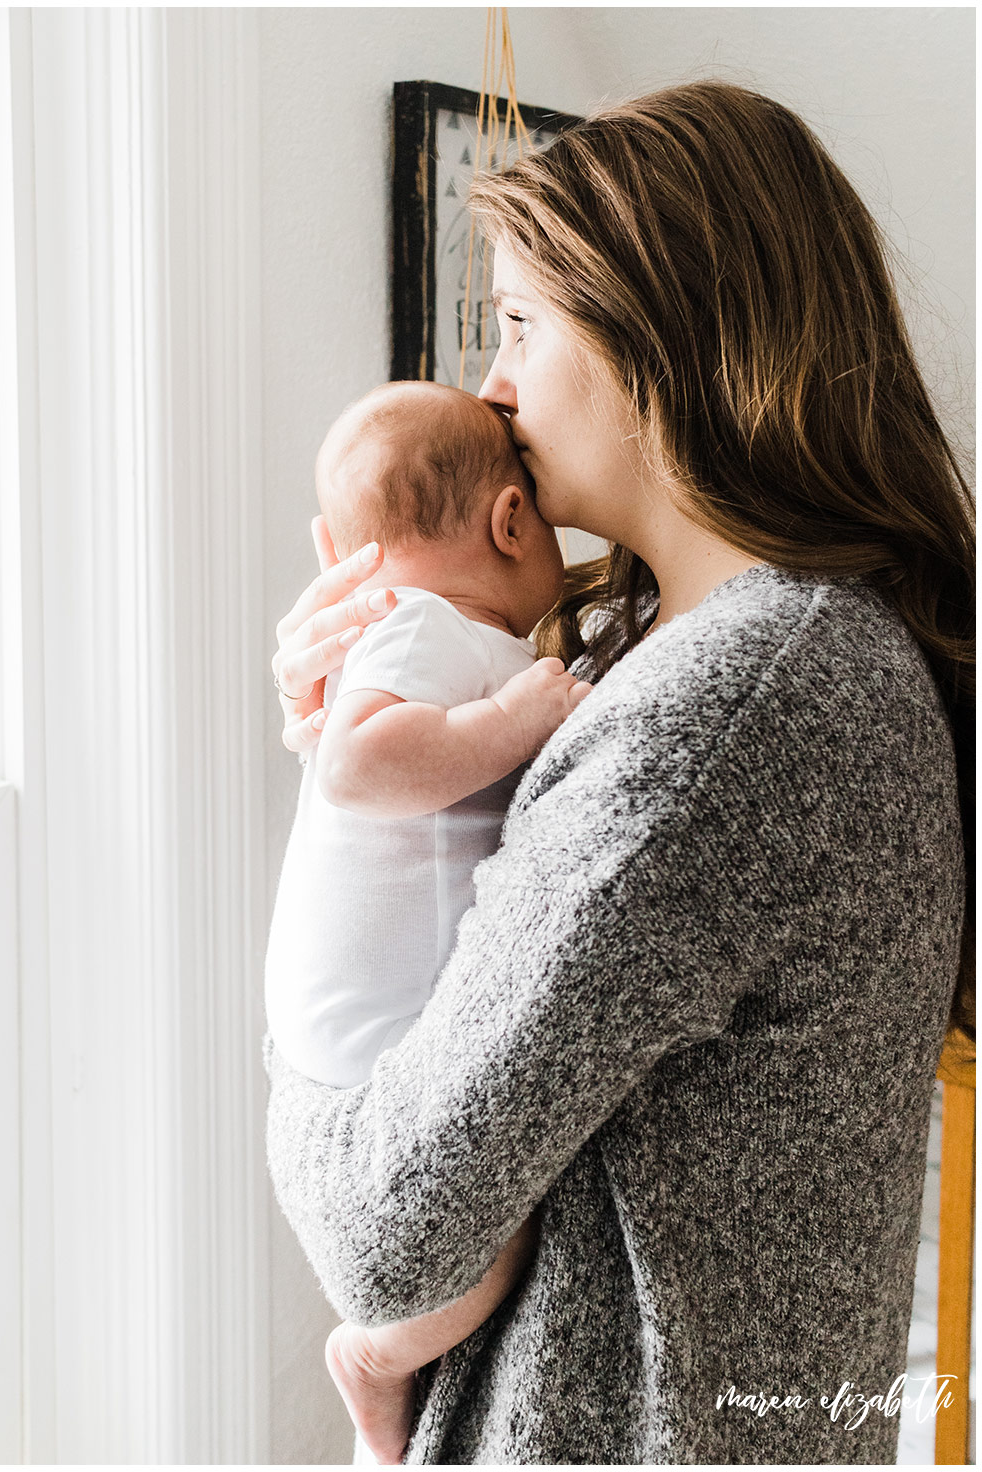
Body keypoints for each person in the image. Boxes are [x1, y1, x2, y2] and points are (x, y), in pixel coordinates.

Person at [265, 80, 974, 1465]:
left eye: (522, 324)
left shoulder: (729, 709)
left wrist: (312, 962)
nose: (493, 387)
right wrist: (358, 740)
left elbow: (384, 1233)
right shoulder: (727, 650)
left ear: (661, 339)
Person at [264, 379, 589, 1462]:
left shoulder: (435, 631)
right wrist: (510, 716)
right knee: (489, 1249)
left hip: (358, 1013)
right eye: (543, 516)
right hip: (369, 1029)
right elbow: (354, 763)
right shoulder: (424, 627)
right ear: (508, 521)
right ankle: (377, 1351)